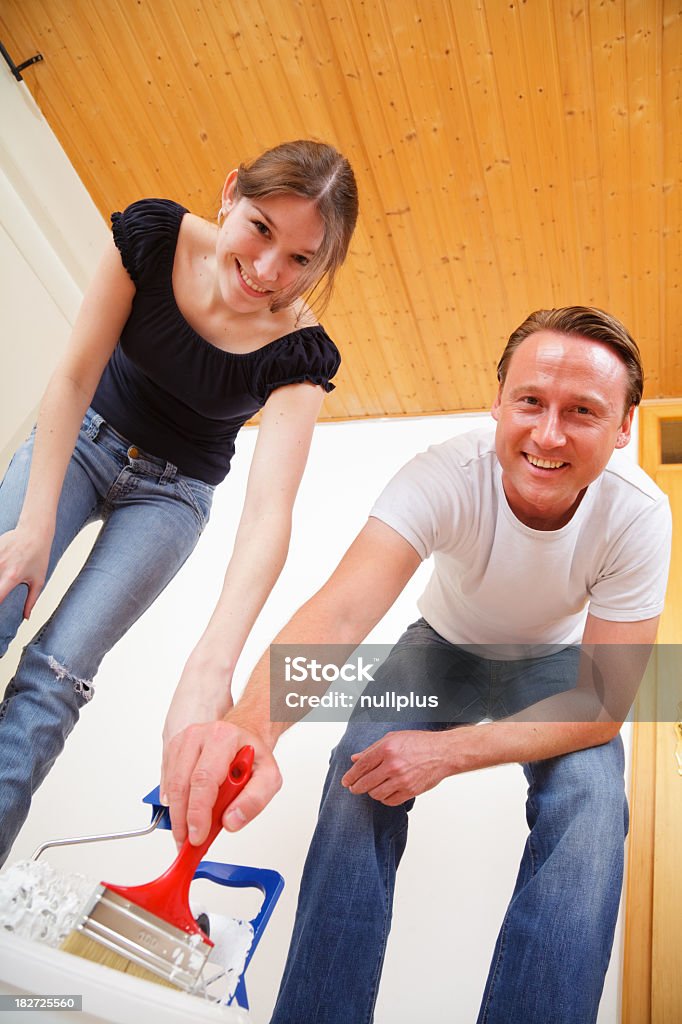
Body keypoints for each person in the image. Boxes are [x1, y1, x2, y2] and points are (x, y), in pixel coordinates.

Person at [163, 306, 672, 1023]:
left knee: (594, 805)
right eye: (530, 401)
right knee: (359, 769)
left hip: (562, 667)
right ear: (498, 400)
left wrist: (447, 752)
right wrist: (255, 723)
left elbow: (604, 703)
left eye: (583, 411)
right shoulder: (442, 477)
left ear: (623, 427)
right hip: (442, 646)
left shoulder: (639, 515)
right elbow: (340, 616)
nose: (548, 434)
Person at [0, 139, 359, 867]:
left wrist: (212, 660)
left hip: (172, 496)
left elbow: (268, 514)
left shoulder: (301, 352)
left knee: (55, 680)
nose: (267, 271)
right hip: (83, 438)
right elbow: (72, 379)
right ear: (230, 192)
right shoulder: (152, 236)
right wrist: (35, 525)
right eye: (261, 229)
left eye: (300, 260)